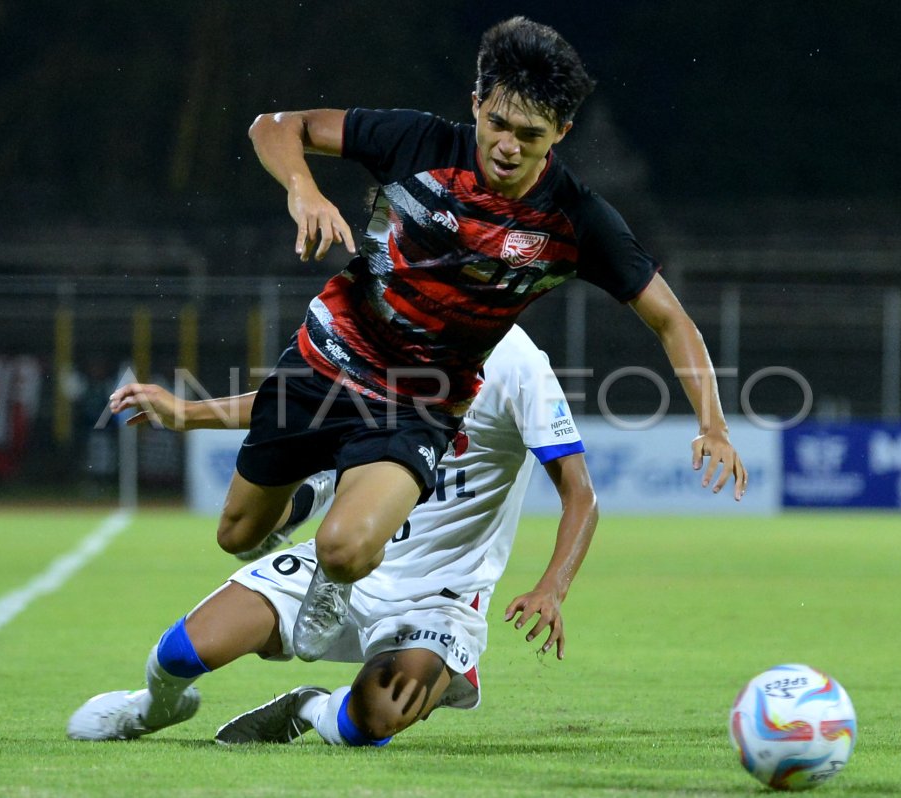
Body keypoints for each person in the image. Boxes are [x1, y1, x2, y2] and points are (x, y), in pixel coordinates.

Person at [226, 16, 747, 661]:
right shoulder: (416, 141)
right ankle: (306, 498)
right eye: (497, 123)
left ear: (561, 132)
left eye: (529, 135)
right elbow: (277, 125)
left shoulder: (577, 220)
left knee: (345, 550)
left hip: (423, 402)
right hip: (325, 360)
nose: (506, 145)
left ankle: (335, 577)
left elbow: (672, 320)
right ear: (476, 104)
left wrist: (714, 426)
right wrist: (302, 187)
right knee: (237, 532)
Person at [68, 326, 597, 747]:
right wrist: (188, 414)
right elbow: (295, 397)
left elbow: (581, 497)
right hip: (338, 565)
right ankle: (150, 708)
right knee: (184, 653)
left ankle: (308, 707)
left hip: (438, 597)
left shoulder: (520, 363)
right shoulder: (384, 329)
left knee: (374, 719)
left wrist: (552, 586)